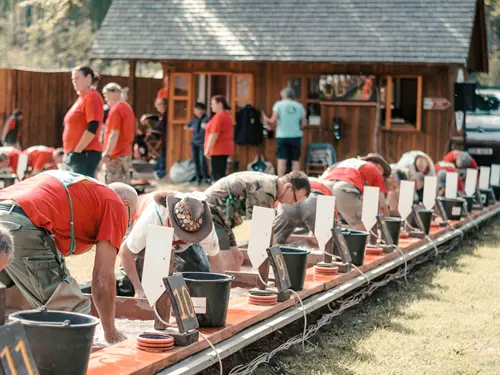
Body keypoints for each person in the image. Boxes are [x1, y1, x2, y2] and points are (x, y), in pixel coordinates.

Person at [0, 170, 137, 344]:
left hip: (6, 211)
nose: (126, 225)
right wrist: (110, 332)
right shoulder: (115, 204)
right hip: (22, 223)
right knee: (74, 314)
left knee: (12, 300)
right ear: (125, 204)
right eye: (129, 219)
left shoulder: (81, 190)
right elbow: (102, 278)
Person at [119, 191, 225, 298]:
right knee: (144, 285)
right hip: (151, 236)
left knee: (200, 279)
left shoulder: (204, 225)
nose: (185, 238)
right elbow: (126, 252)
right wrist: (138, 289)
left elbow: (215, 258)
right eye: (183, 234)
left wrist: (220, 294)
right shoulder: (152, 219)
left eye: (191, 236)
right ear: (171, 221)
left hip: (181, 244)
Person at [205, 171, 311, 270]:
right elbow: (260, 232)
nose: (293, 203)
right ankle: (212, 286)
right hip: (212, 212)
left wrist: (276, 254)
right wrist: (278, 262)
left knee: (237, 259)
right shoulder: (266, 190)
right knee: (227, 261)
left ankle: (230, 288)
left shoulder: (272, 186)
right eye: (295, 199)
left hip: (224, 218)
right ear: (288, 187)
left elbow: (267, 232)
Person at [319, 155, 390, 230]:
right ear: (380, 168)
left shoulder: (346, 162)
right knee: (365, 223)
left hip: (323, 187)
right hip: (342, 188)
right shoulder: (374, 169)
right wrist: (388, 227)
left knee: (326, 228)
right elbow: (382, 206)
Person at [63, 66, 104, 177]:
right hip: (77, 153)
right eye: (73, 79)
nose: (74, 81)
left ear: (88, 78)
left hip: (85, 153)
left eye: (77, 78)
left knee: (80, 192)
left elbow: (92, 126)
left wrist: (77, 151)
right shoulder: (82, 97)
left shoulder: (92, 97)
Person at [273, 178, 333, 244]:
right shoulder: (324, 188)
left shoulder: (289, 184)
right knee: (327, 242)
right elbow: (331, 217)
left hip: (289, 202)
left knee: (276, 241)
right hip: (314, 201)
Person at [263, 88, 307, 177]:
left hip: (282, 136)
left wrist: (264, 117)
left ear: (284, 95)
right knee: (295, 161)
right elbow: (304, 123)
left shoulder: (278, 105)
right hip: (296, 136)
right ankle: (296, 180)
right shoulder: (299, 106)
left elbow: (272, 120)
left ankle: (280, 179)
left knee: (282, 160)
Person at [101, 82, 136, 184]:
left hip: (115, 155)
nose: (105, 99)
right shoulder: (128, 108)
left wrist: (107, 153)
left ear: (113, 93)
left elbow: (114, 134)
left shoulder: (116, 110)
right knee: (125, 186)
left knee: (113, 188)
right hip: (126, 153)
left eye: (106, 95)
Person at [204, 95, 234, 182]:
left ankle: (217, 194)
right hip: (223, 149)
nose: (211, 106)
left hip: (218, 149)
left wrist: (207, 149)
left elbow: (214, 134)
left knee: (216, 176)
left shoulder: (219, 116)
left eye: (213, 104)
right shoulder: (225, 115)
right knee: (220, 174)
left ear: (220, 104)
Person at [185, 103, 210, 184]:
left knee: (202, 160)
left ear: (202, 110)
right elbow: (185, 127)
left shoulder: (207, 119)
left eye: (197, 110)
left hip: (203, 143)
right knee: (196, 161)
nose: (196, 112)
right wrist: (191, 128)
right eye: (195, 110)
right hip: (194, 142)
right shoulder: (194, 120)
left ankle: (206, 177)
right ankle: (198, 178)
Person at [153, 98, 168, 180]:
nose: (157, 107)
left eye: (159, 104)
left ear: (164, 105)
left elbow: (160, 127)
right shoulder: (163, 114)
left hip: (167, 139)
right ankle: (159, 172)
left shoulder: (166, 114)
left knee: (163, 155)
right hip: (163, 139)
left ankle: (160, 173)